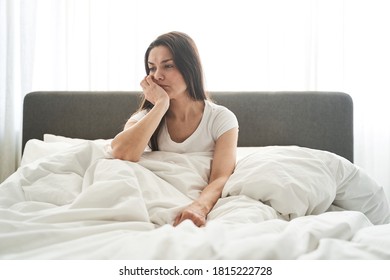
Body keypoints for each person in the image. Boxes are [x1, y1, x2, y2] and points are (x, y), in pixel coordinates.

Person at [111, 31, 239, 227]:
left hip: (191, 200)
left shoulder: (221, 118)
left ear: (190, 68)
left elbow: (221, 177)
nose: (157, 76)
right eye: (151, 68)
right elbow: (121, 152)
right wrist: (161, 105)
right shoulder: (146, 118)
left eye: (168, 66)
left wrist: (199, 207)